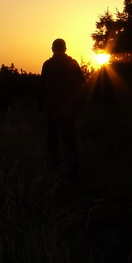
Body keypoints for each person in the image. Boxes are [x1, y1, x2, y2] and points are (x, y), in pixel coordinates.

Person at [38, 38, 85, 175]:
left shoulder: (48, 64)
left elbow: (42, 88)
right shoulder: (73, 63)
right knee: (70, 142)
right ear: (65, 49)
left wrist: (40, 109)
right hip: (69, 108)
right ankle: (73, 172)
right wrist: (79, 105)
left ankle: (52, 171)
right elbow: (82, 85)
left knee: (52, 141)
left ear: (53, 49)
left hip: (52, 109)